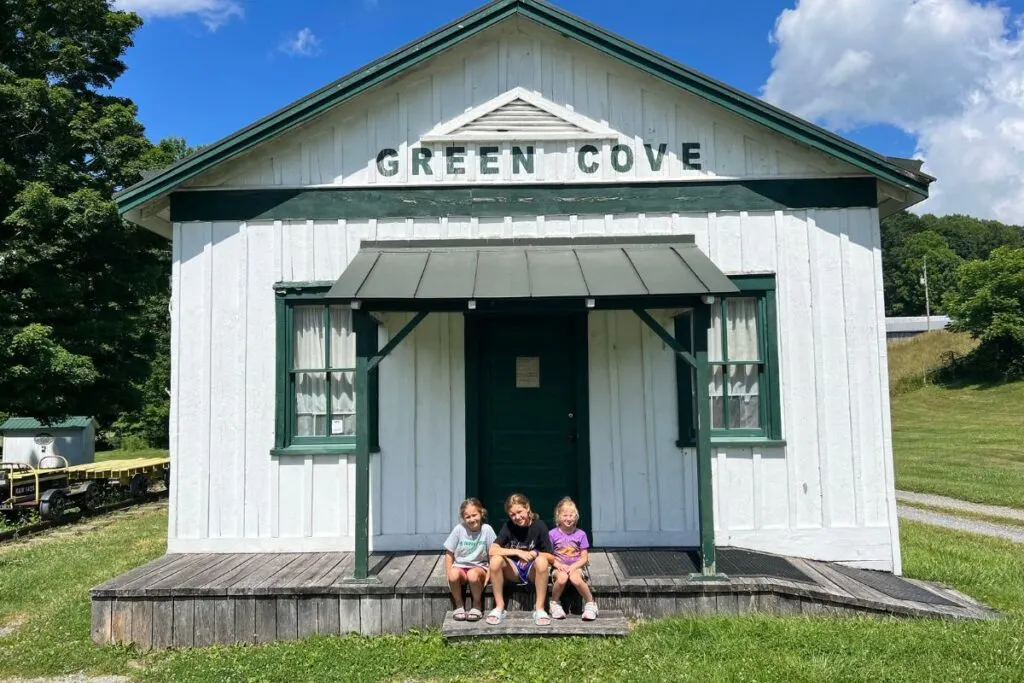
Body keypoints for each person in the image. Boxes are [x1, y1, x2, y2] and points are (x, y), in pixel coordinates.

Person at [486, 493, 553, 626]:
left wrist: (534, 553)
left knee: (542, 561)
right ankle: (499, 607)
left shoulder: (539, 526)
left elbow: (551, 557)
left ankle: (539, 609)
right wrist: (517, 551)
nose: (517, 517)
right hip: (513, 569)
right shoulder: (509, 526)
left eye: (519, 512)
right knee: (495, 560)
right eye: (512, 514)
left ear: (527, 507)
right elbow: (492, 550)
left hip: (532, 571)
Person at [443, 497, 496, 622]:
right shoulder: (459, 529)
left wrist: (489, 574)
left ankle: (477, 604)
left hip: (479, 567)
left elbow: (493, 554)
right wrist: (448, 573)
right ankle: (459, 604)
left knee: (473, 575)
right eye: (467, 517)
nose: (472, 519)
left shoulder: (486, 529)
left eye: (474, 515)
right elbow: (449, 553)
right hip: (460, 566)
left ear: (481, 513)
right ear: (463, 518)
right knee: (453, 574)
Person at [547, 496, 598, 621]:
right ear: (558, 516)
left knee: (575, 577)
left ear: (576, 517)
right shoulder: (552, 534)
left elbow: (584, 558)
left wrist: (573, 567)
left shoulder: (581, 534)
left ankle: (590, 604)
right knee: (562, 578)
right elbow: (549, 555)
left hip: (576, 567)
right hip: (559, 567)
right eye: (565, 515)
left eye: (571, 515)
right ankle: (554, 603)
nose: (568, 518)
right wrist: (559, 565)